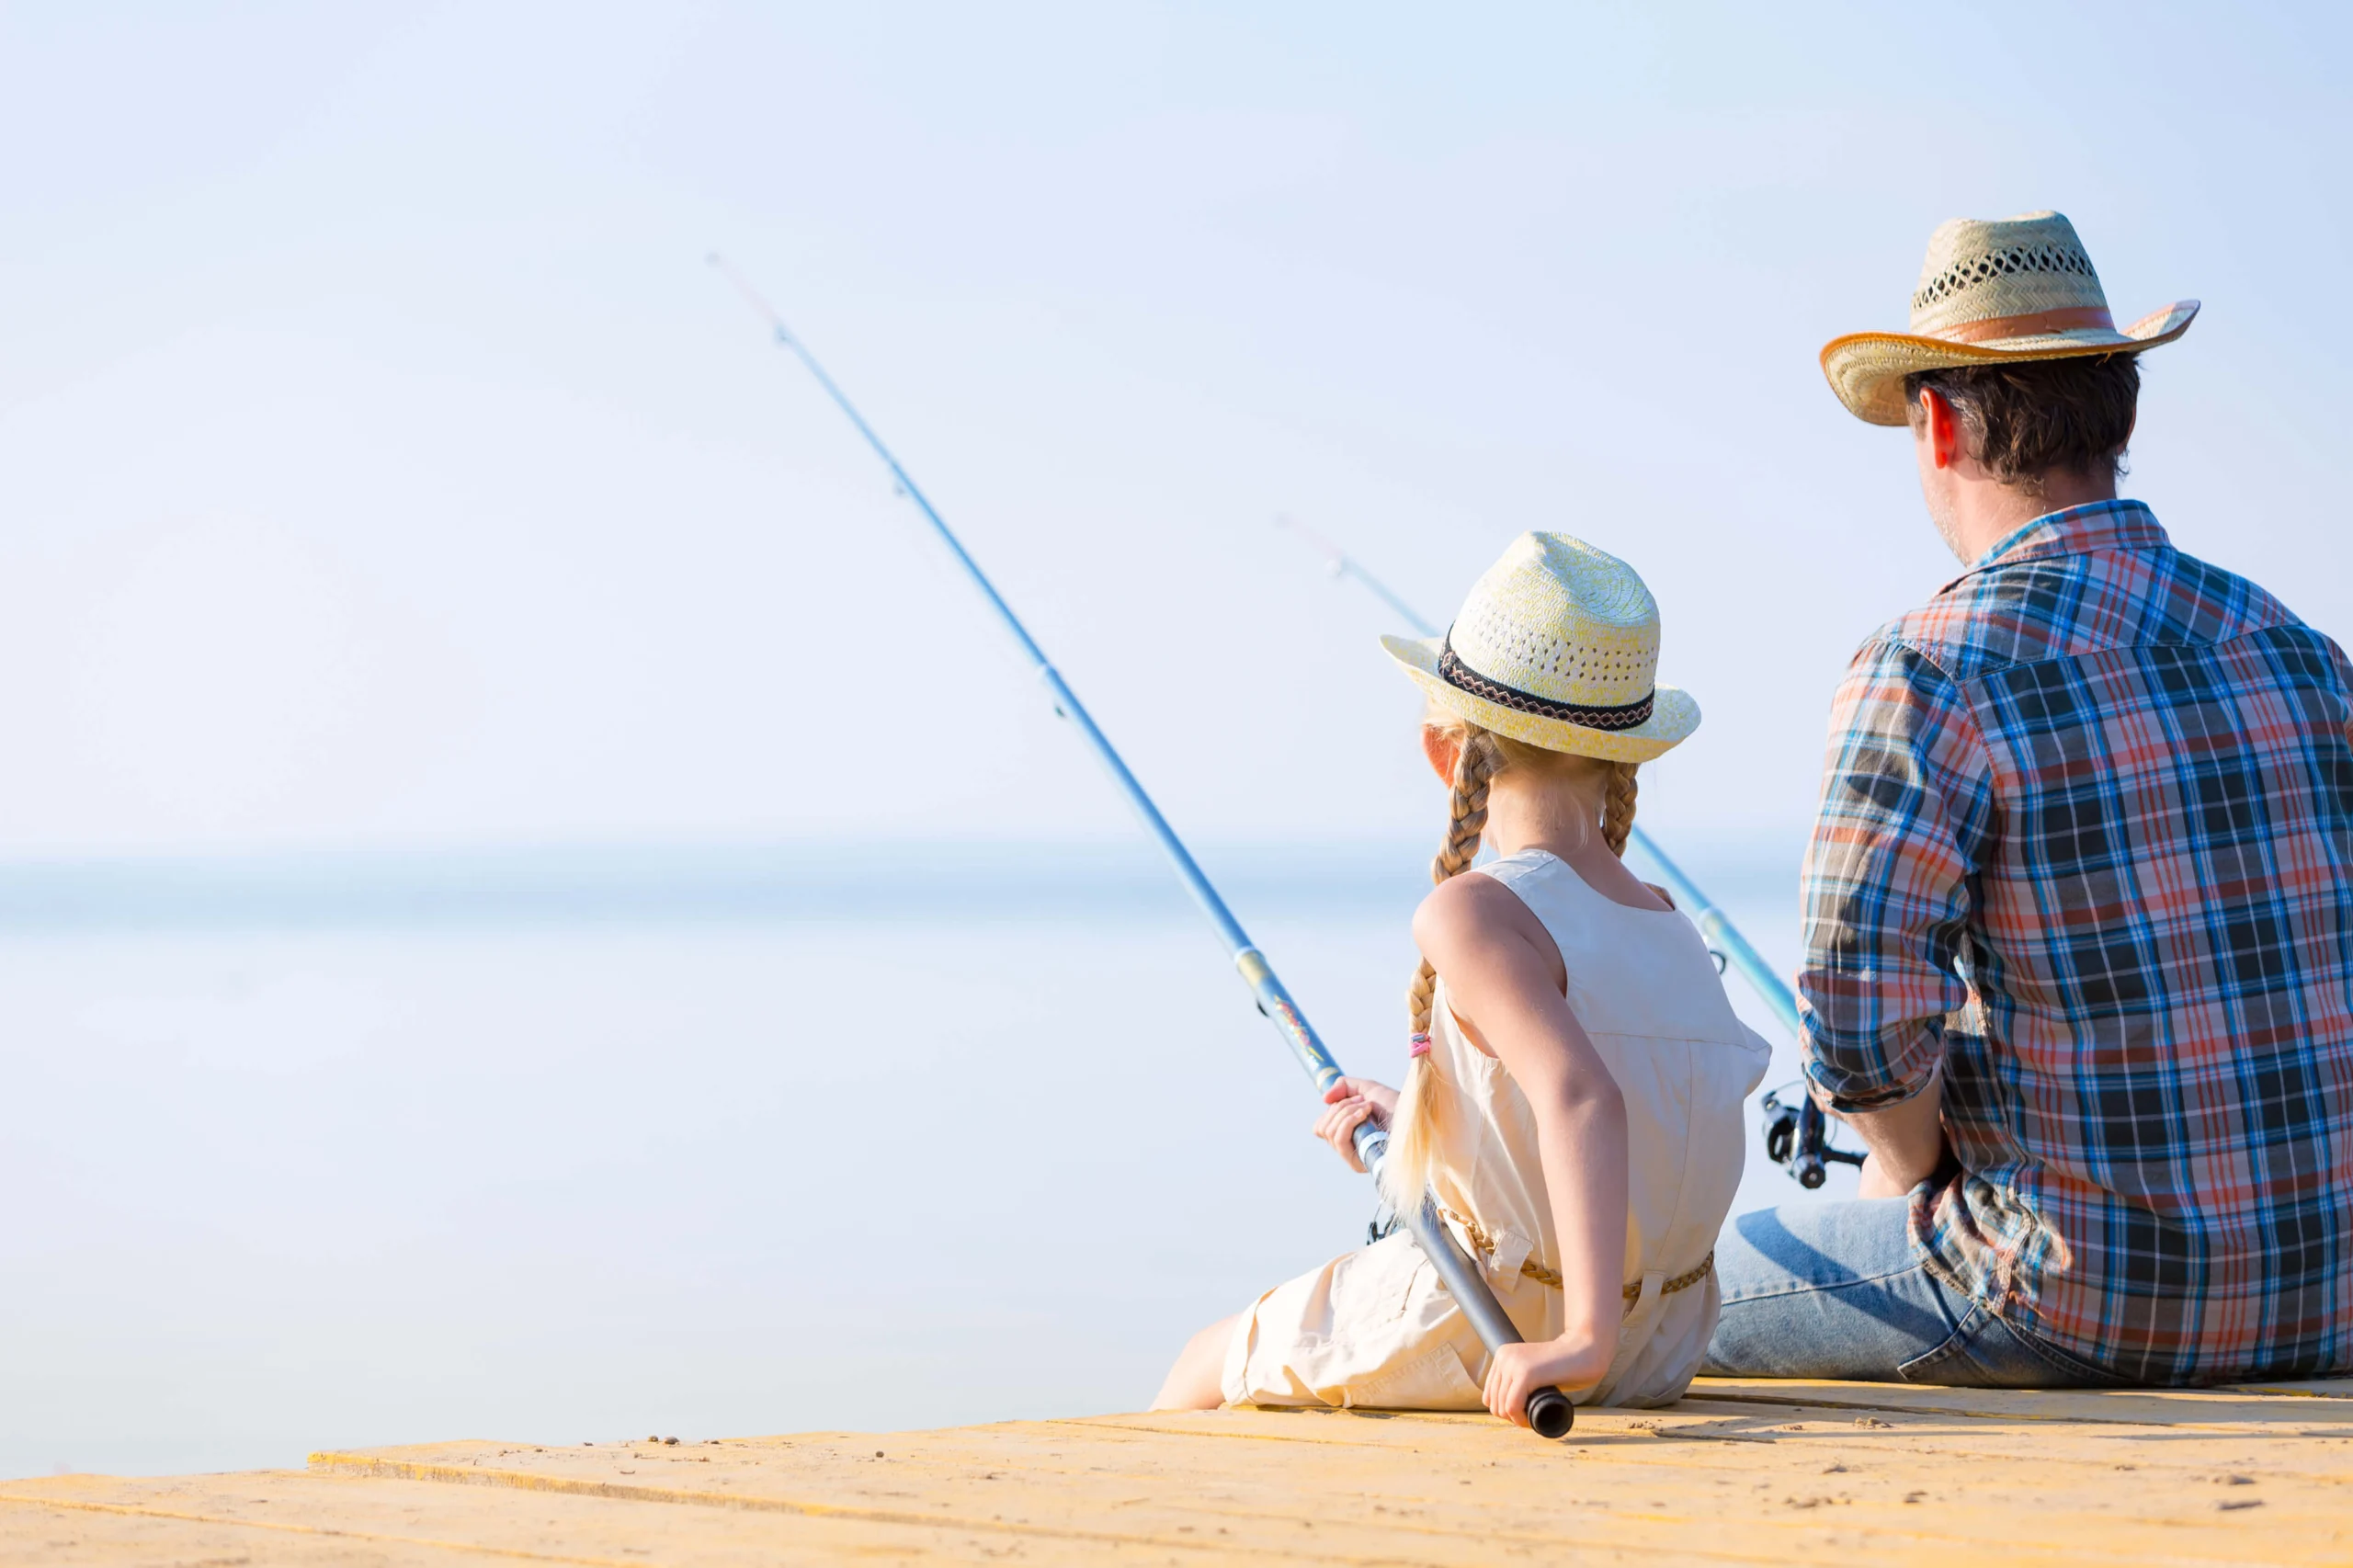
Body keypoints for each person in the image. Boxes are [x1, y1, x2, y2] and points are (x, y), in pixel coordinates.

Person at [1707, 211, 2353, 1388]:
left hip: (2079, 1300)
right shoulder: (2297, 647)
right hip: (2336, 1288)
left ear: (1938, 421)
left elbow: (1854, 1021)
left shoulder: (1932, 666)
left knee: (1676, 1290)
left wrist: (1909, 1161)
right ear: (2127, 410)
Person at [1154, 533, 1768, 1425]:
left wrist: (1581, 1338)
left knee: (1207, 1355)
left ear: (1447, 756)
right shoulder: (1666, 921)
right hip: (1665, 1341)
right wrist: (1422, 1122)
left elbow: (1583, 1097)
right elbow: (1603, 1107)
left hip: (1503, 1323)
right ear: (1621, 760)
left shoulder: (1472, 911)